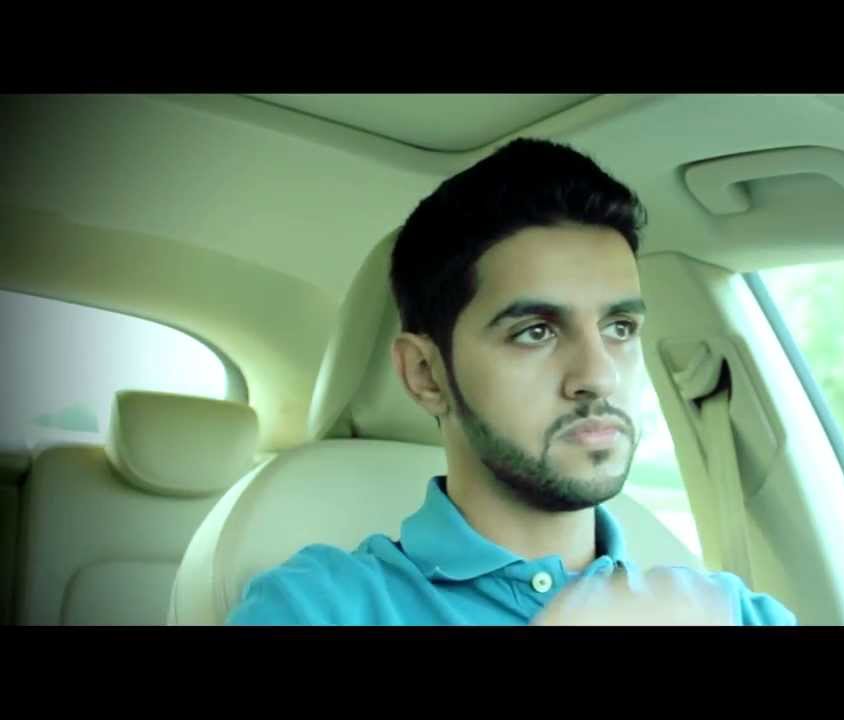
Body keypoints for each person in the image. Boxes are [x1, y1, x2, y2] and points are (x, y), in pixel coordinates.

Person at [228, 138, 796, 626]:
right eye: (535, 332)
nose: (599, 376)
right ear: (426, 374)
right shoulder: (316, 606)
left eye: (619, 328)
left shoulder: (729, 610)